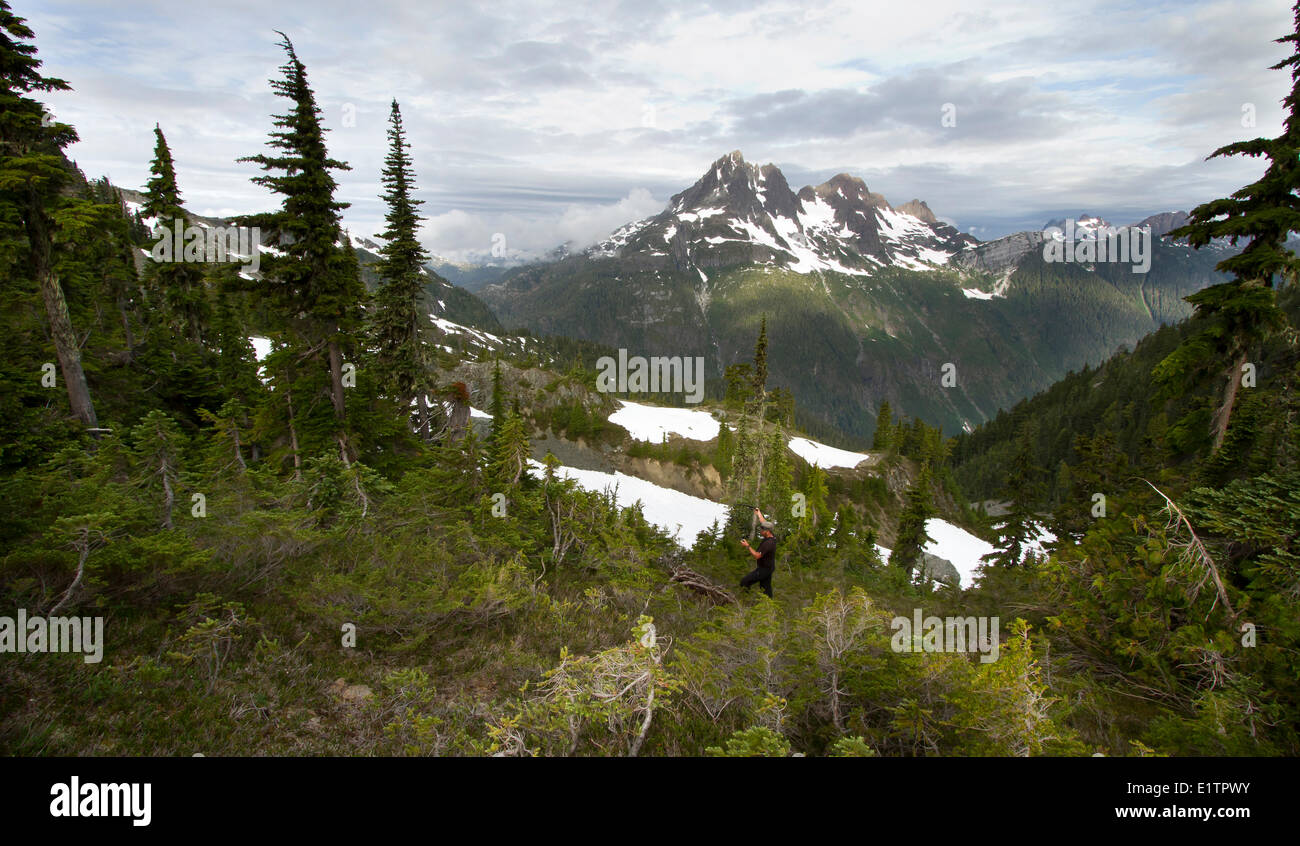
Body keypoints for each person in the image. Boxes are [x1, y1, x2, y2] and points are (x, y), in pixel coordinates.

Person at [739, 507, 777, 598]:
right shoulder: (771, 536)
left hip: (764, 570)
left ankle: (746, 601)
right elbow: (764, 522)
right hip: (769, 568)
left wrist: (747, 546)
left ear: (767, 532)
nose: (760, 531)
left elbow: (757, 556)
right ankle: (769, 609)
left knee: (744, 582)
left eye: (762, 530)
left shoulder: (768, 543)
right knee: (766, 591)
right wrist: (758, 513)